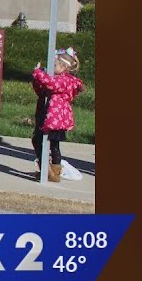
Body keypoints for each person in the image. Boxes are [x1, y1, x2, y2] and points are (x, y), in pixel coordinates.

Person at [31, 47, 85, 182]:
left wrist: (39, 73)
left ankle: (51, 171)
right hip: (45, 114)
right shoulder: (56, 78)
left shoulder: (65, 80)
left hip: (55, 118)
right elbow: (41, 91)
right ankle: (51, 172)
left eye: (54, 65)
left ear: (63, 67)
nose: (50, 68)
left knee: (48, 143)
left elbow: (51, 84)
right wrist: (37, 79)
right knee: (44, 142)